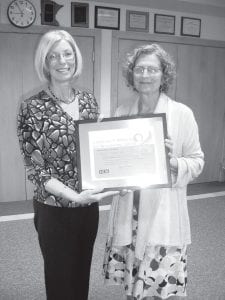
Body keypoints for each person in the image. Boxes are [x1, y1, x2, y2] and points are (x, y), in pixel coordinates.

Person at [17, 29, 119, 300]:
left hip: (88, 206)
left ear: (76, 56)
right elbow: (35, 169)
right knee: (60, 278)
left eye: (67, 53)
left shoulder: (88, 100)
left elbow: (96, 151)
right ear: (45, 62)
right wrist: (74, 196)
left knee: (81, 271)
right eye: (53, 56)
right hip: (54, 207)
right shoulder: (31, 107)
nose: (62, 61)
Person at [103, 44, 204, 299]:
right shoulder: (122, 111)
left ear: (163, 74)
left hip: (163, 213)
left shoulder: (182, 114)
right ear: (131, 74)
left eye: (152, 69)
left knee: (159, 288)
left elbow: (197, 161)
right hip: (129, 208)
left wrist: (172, 162)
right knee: (132, 284)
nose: (145, 75)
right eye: (139, 69)